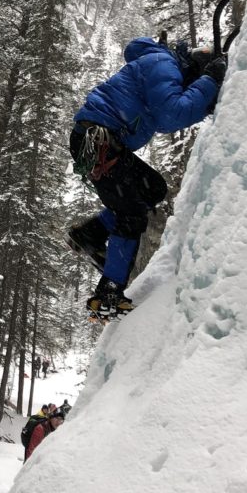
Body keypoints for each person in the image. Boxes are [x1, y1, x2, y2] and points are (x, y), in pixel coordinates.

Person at [68, 35, 224, 321]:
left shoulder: (159, 63)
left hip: (101, 141)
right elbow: (171, 114)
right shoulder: (164, 63)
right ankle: (108, 294)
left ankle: (91, 233)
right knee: (130, 214)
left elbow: (171, 109)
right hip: (101, 141)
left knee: (151, 188)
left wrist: (205, 96)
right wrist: (210, 82)